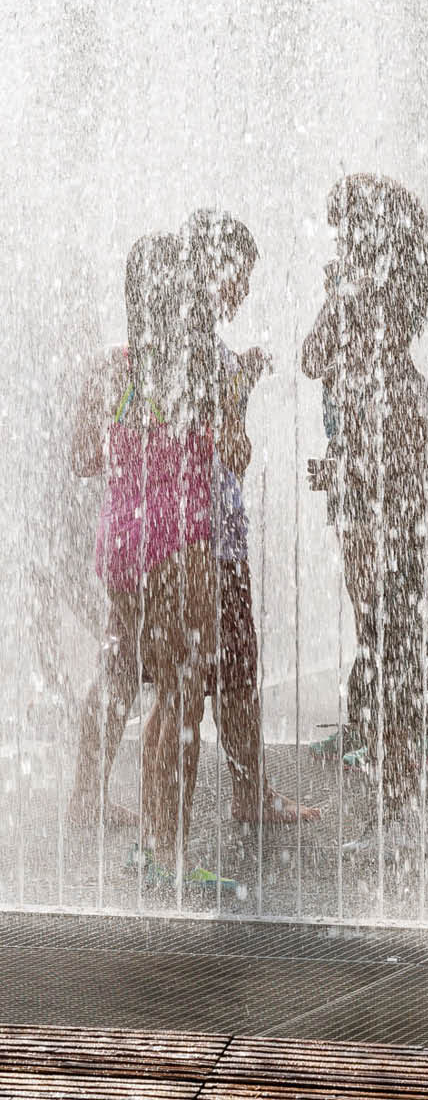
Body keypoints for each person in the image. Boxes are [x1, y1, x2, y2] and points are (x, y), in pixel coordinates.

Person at [303, 174, 428, 857]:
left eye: (344, 224)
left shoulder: (395, 376)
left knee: (396, 668)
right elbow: (313, 359)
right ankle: (402, 810)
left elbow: (416, 485)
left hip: (398, 528)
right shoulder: (362, 311)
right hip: (374, 511)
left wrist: (351, 471)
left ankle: (404, 816)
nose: (336, 237)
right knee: (393, 662)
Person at [75, 234, 221, 876]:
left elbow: (82, 457)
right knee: (182, 689)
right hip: (180, 541)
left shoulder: (115, 367)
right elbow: (225, 456)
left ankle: (91, 799)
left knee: (121, 669)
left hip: (122, 540)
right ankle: (169, 849)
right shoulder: (192, 368)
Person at [182, 209, 319, 826]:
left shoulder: (174, 340)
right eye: (242, 275)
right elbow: (230, 454)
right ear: (219, 266)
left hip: (177, 534)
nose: (244, 290)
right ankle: (247, 801)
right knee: (234, 668)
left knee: (172, 669)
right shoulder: (204, 351)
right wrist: (240, 389)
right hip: (210, 537)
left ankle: (164, 820)